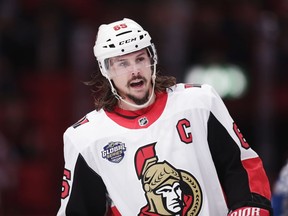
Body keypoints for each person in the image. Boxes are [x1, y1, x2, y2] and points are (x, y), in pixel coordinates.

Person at [57, 18, 273, 215]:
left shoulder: (199, 102)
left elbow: (240, 164)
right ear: (106, 70)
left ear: (152, 58)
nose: (135, 71)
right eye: (123, 63)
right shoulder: (85, 138)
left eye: (140, 58)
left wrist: (250, 206)